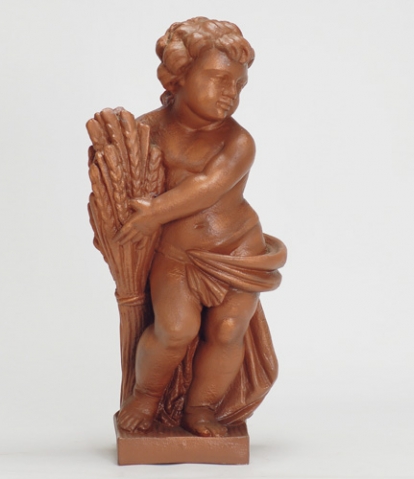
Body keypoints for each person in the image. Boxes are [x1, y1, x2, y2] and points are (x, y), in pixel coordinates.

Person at [114, 17, 280, 437]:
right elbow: (119, 174)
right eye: (219, 79)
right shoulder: (146, 130)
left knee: (227, 330)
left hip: (237, 250)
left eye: (239, 85)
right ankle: (145, 397)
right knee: (175, 329)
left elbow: (208, 186)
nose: (230, 93)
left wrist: (154, 211)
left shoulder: (238, 142)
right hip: (177, 254)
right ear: (179, 76)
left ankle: (202, 408)